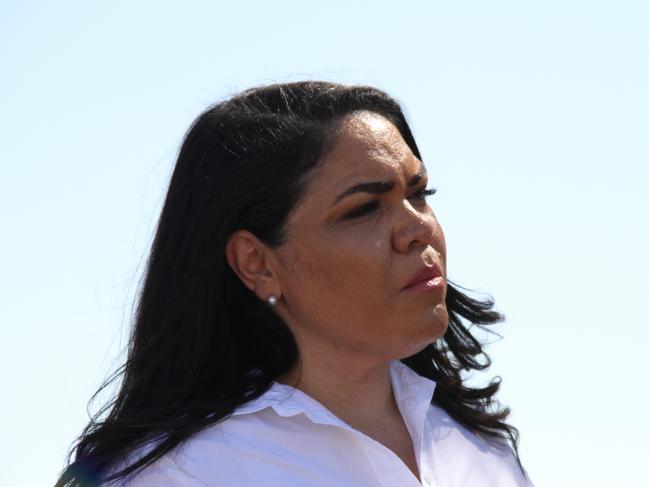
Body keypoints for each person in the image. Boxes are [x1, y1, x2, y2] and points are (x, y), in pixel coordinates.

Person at [55, 81, 534, 486]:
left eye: (418, 194)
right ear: (257, 263)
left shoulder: (482, 449)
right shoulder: (177, 474)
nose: (418, 229)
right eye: (364, 209)